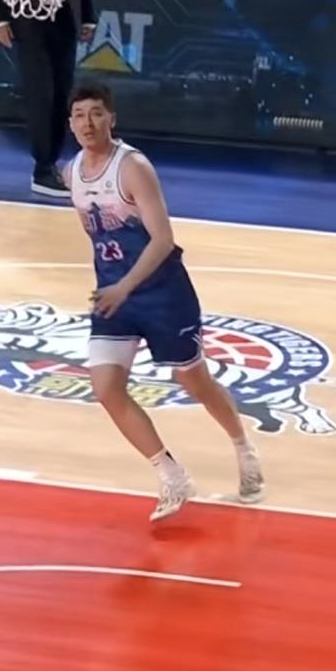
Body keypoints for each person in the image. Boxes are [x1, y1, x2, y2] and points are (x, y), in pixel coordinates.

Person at [62, 83, 265, 521]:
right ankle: (171, 474)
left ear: (111, 119)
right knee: (105, 388)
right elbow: (100, 238)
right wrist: (113, 284)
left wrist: (124, 285)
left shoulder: (133, 167)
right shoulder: (71, 173)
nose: (87, 123)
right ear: (70, 124)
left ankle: (243, 447)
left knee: (194, 381)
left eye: (96, 113)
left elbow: (163, 240)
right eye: (79, 115)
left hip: (163, 294)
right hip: (116, 296)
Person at [0, 0, 94, 197]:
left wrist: (88, 15)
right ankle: (42, 168)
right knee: (41, 92)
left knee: (62, 90)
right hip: (26, 14)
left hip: (62, 12)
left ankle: (51, 162)